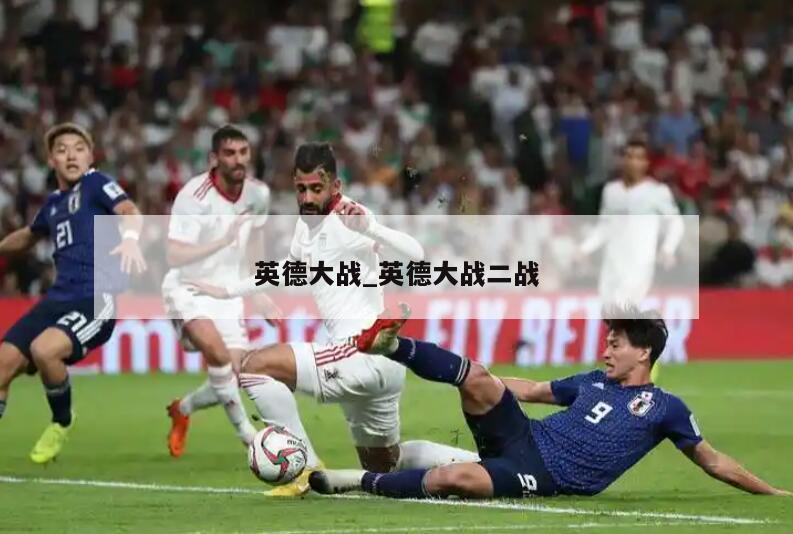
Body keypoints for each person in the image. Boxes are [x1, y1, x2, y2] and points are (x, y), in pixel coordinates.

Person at [190, 142, 478, 497]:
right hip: (378, 363)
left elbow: (416, 254)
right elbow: (289, 269)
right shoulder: (306, 226)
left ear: (335, 186)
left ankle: (304, 470)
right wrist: (228, 290)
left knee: (254, 366)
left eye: (317, 188)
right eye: (301, 189)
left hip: (363, 350)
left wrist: (370, 229)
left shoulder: (350, 217)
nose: (308, 198)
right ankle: (484, 463)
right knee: (385, 465)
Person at [309, 305, 790, 499]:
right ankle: (392, 345)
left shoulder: (666, 407)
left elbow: (713, 461)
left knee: (455, 479)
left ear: (643, 352)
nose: (606, 351)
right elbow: (535, 391)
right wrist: (480, 382)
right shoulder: (592, 381)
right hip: (523, 435)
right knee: (476, 376)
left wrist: (772, 494)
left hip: (546, 475)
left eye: (616, 344)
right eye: (607, 342)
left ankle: (359, 482)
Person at [0, 122, 146, 463]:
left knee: (44, 350)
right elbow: (29, 235)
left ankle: (62, 420)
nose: (71, 155)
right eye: (62, 150)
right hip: (57, 299)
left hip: (95, 298)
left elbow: (129, 211)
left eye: (79, 149)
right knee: (3, 364)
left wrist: (129, 239)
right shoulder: (53, 203)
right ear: (51, 160)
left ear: (90, 157)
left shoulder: (96, 183)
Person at [163, 125, 274, 454]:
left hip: (227, 291)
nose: (238, 159)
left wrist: (259, 290)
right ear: (214, 158)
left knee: (231, 374)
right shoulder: (194, 197)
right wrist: (222, 241)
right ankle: (250, 439)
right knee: (219, 356)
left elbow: (255, 242)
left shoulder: (258, 194)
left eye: (243, 152)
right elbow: (174, 255)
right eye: (229, 153)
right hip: (188, 288)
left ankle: (182, 409)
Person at [578, 138, 684, 381]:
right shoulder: (611, 191)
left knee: (623, 315)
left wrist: (668, 249)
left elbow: (676, 222)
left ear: (646, 163)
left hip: (639, 264)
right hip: (612, 265)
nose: (633, 162)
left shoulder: (657, 192)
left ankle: (640, 371)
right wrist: (584, 248)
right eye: (628, 156)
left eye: (638, 157)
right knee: (612, 318)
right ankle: (633, 365)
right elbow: (604, 226)